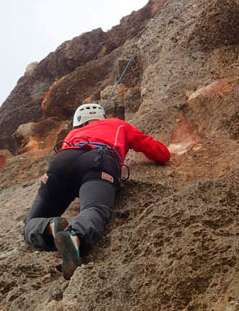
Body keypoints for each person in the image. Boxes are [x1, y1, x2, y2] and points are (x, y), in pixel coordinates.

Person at [24, 103, 170, 280]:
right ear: (102, 116)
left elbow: (71, 164)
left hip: (62, 163)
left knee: (31, 221)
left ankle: (49, 227)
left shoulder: (72, 134)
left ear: (79, 122)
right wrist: (166, 155)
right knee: (94, 208)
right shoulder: (118, 124)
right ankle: (74, 237)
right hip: (97, 161)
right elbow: (157, 150)